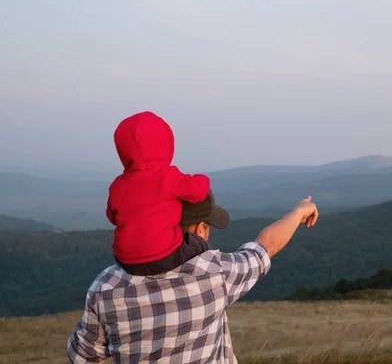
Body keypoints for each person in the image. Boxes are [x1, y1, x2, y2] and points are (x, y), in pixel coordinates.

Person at [67, 190, 319, 363]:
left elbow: (83, 356)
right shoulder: (216, 274)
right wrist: (298, 213)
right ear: (200, 229)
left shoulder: (107, 286)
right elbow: (267, 246)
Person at [106, 111, 211, 276]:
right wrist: (202, 178)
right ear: (165, 144)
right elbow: (198, 191)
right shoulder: (167, 177)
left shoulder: (117, 185)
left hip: (126, 261)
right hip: (164, 257)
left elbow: (112, 217)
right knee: (199, 245)